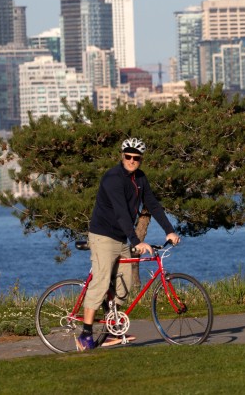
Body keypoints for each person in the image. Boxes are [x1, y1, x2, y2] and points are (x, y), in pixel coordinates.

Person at [76, 138, 181, 351]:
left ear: (141, 159)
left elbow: (152, 204)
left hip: (121, 238)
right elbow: (121, 213)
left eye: (136, 158)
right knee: (102, 282)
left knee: (123, 286)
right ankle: (85, 335)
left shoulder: (140, 178)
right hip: (103, 236)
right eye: (128, 156)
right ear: (122, 156)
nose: (132, 160)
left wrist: (169, 230)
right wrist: (136, 241)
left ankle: (108, 331)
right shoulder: (113, 178)